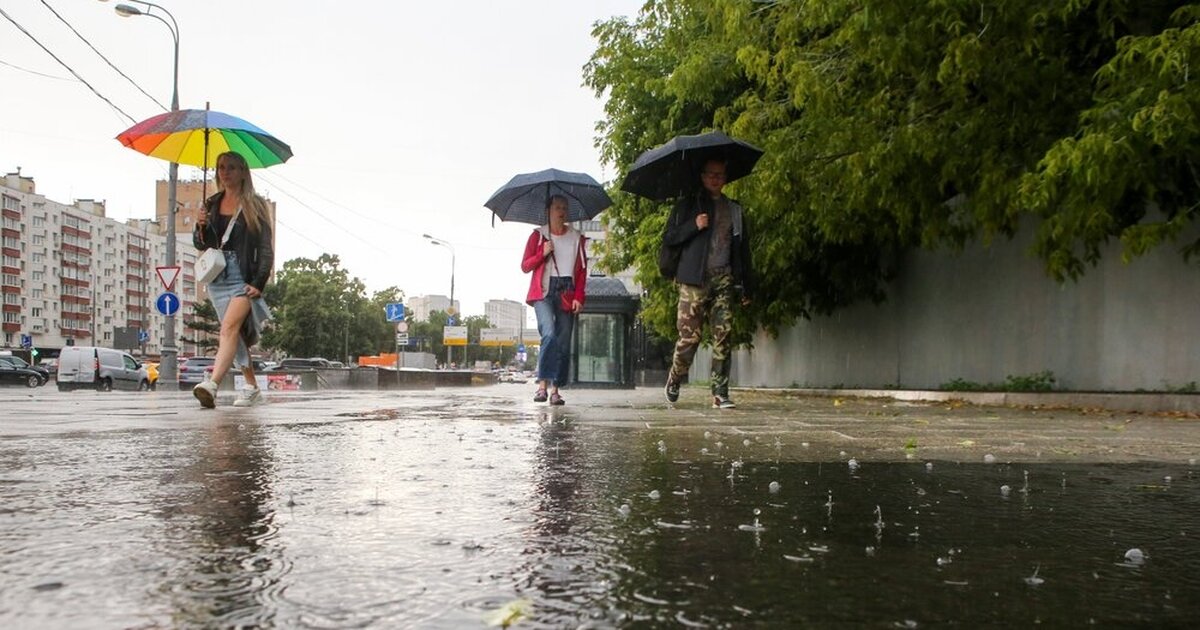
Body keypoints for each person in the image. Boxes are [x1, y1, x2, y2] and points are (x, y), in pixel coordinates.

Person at [662, 158, 753, 409]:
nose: (715, 178)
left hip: (723, 278)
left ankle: (720, 391)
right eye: (711, 174)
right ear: (702, 176)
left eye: (720, 174)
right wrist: (694, 225)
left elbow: (743, 249)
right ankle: (676, 376)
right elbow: (669, 238)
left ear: (726, 178)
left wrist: (747, 285)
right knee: (689, 339)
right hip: (693, 280)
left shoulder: (734, 209)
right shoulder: (687, 206)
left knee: (723, 334)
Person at [190, 151, 274, 409]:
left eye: (232, 168)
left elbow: (266, 248)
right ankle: (252, 387)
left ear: (243, 172)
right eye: (221, 167)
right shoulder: (212, 203)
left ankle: (212, 385)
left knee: (227, 328)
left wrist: (258, 283)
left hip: (242, 277)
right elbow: (201, 244)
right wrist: (200, 225)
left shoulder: (255, 205)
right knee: (233, 334)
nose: (225, 172)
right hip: (217, 277)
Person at [521, 194, 587, 405]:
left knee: (563, 343)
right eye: (557, 207)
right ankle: (542, 386)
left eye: (564, 208)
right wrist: (543, 252)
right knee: (548, 334)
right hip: (544, 292)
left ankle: (556, 390)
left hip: (567, 290)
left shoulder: (577, 237)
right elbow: (525, 266)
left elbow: (583, 271)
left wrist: (579, 297)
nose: (562, 212)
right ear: (548, 211)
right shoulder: (538, 236)